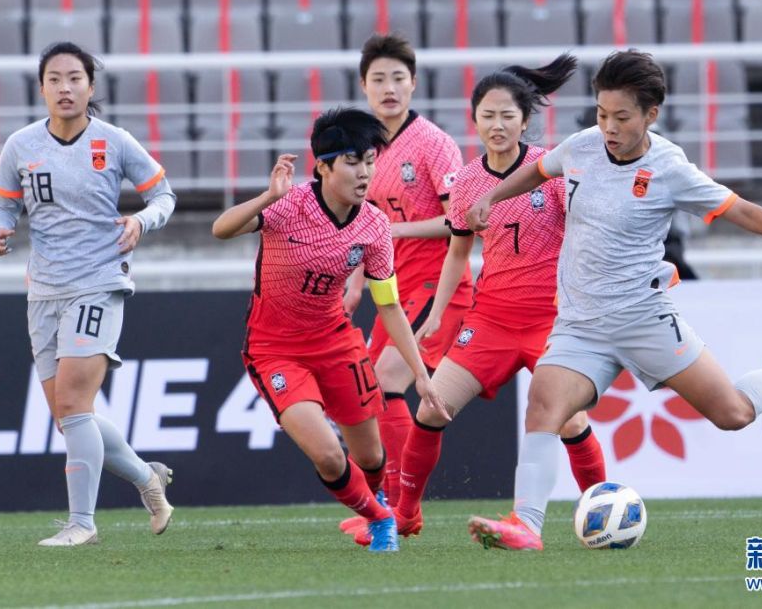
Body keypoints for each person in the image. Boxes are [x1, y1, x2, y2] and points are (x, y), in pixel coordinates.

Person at [464, 49, 762, 551]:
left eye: (621, 117)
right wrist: (492, 197)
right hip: (581, 324)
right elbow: (541, 169)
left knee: (733, 414)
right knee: (544, 405)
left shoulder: (670, 168)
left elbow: (742, 212)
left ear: (651, 114)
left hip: (644, 318)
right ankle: (526, 525)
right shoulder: (583, 146)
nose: (608, 126)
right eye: (601, 113)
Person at [342, 55, 608, 545]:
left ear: (525, 120)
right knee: (432, 405)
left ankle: (604, 511)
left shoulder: (548, 169)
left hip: (552, 320)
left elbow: (589, 234)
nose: (497, 124)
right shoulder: (466, 181)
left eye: (508, 115)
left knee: (568, 418)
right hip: (490, 319)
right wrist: (438, 314)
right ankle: (404, 514)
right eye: (488, 115)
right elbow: (458, 249)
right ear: (476, 120)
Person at [211, 107, 449, 553]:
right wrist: (267, 195)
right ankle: (381, 519)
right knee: (326, 453)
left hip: (336, 341)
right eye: (353, 161)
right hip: (274, 349)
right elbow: (220, 230)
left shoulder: (375, 225)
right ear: (323, 166)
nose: (365, 172)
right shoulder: (290, 204)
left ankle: (375, 500)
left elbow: (389, 304)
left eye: (371, 161)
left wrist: (419, 372)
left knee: (372, 457)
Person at [0, 42, 176, 547]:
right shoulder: (21, 146)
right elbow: (4, 205)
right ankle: (146, 478)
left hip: (98, 282)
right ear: (42, 87)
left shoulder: (113, 141)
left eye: (75, 78)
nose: (65, 88)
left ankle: (82, 524)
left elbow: (164, 195)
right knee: (71, 417)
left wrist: (140, 219)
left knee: (73, 402)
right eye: (55, 79)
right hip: (42, 291)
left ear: (91, 87)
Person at [344, 33, 473, 509]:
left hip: (438, 286)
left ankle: (398, 510)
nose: (388, 87)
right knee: (371, 396)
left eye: (398, 78)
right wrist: (355, 282)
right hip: (390, 291)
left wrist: (395, 231)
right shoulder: (363, 149)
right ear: (364, 86)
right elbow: (361, 222)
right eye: (378, 79)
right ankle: (389, 507)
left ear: (414, 84)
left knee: (387, 383)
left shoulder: (435, 144)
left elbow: (458, 221)